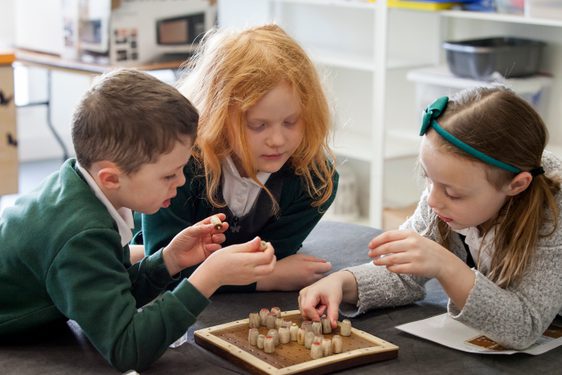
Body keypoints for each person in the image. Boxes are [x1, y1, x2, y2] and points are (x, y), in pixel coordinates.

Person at [0, 69, 276, 372]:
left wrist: (168, 260)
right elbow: (126, 348)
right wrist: (209, 276)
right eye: (169, 174)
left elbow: (110, 290)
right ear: (111, 178)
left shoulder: (78, 184)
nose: (182, 181)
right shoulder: (81, 235)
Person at [299, 86, 562, 350]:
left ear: (516, 185)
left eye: (453, 193)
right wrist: (343, 283)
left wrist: (447, 266)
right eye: (428, 177)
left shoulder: (554, 215)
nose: (433, 199)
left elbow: (524, 326)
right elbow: (405, 273)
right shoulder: (444, 191)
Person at [139, 24, 339, 291]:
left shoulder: (315, 180)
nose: (277, 140)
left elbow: (267, 257)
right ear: (218, 116)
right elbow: (162, 270)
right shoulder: (178, 165)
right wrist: (266, 279)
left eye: (290, 122)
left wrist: (260, 270)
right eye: (258, 125)